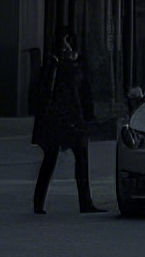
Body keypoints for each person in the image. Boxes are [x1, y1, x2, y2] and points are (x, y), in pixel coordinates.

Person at [30, 27, 100, 213]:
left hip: (73, 120)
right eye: (64, 42)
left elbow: (83, 93)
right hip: (57, 120)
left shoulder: (76, 65)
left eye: (69, 42)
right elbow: (45, 92)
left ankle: (85, 202)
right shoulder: (55, 64)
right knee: (50, 159)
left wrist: (87, 116)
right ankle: (38, 202)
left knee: (81, 157)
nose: (67, 47)